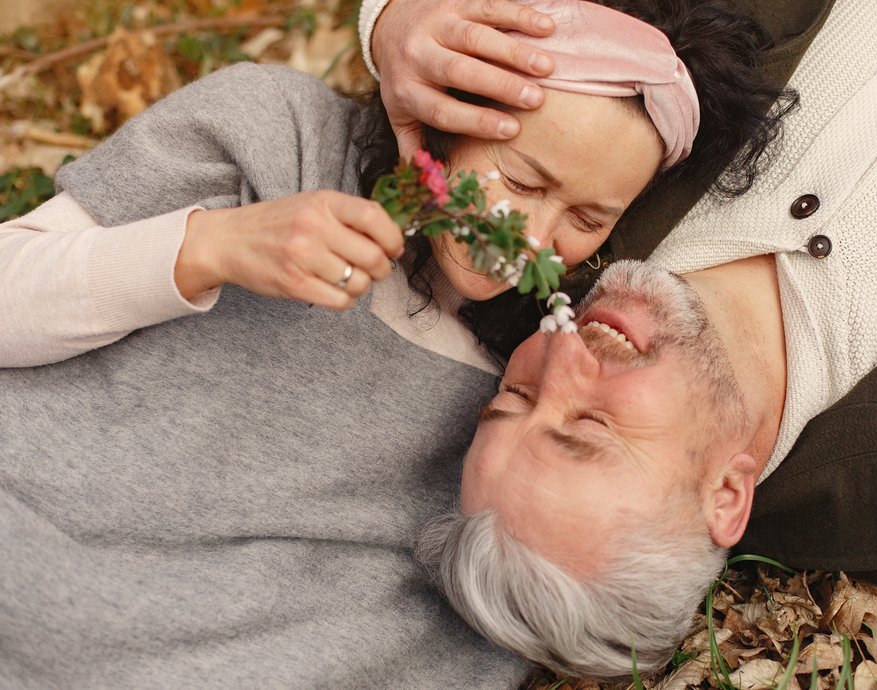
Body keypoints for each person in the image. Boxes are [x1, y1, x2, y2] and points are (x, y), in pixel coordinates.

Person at [0, 0, 792, 686]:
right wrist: (211, 247)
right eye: (521, 182)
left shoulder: (535, 374)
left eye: (587, 220)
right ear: (445, 111)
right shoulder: (278, 140)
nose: (533, 238)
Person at [398, 0, 877, 681]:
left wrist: (398, 23)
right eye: (590, 426)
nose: (561, 358)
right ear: (726, 496)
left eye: (512, 397)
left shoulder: (575, 198)